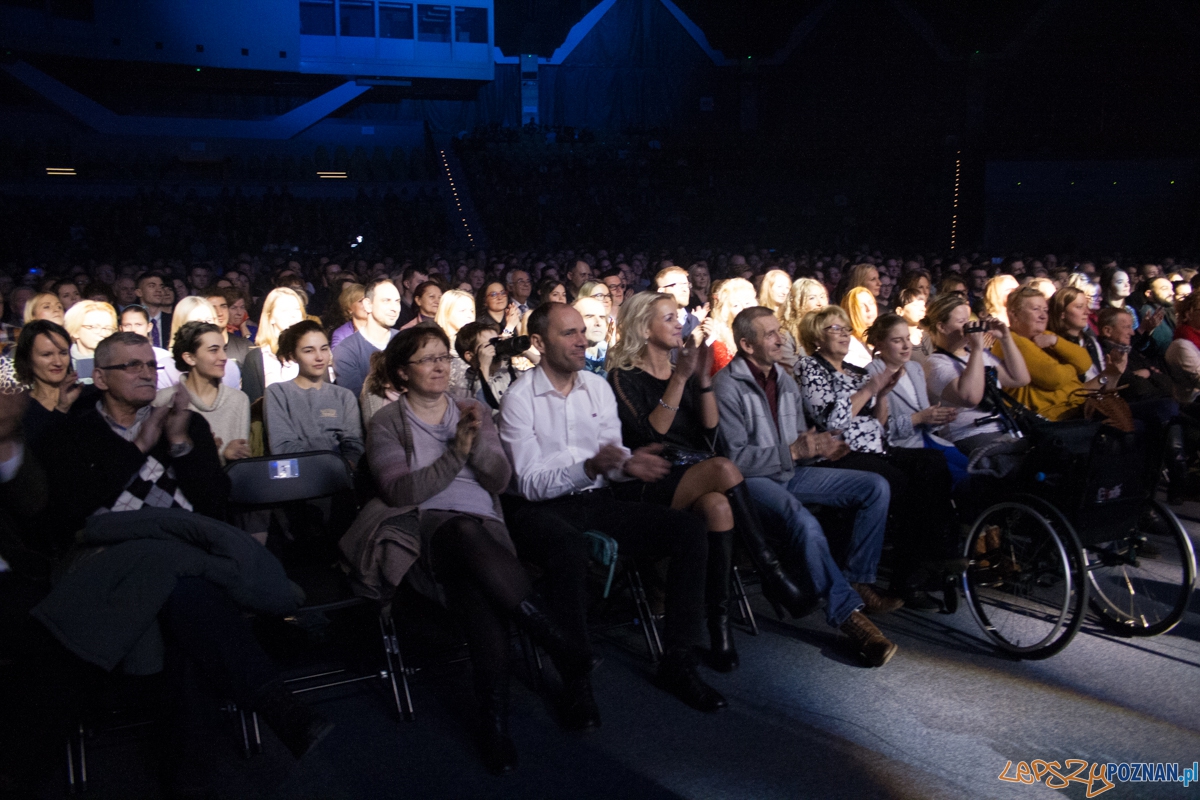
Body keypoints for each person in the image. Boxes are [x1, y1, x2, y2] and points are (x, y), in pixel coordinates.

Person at [26, 332, 332, 791]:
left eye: (149, 364)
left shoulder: (181, 423)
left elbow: (212, 506)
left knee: (179, 606)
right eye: (130, 366)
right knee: (184, 595)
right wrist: (136, 449)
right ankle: (278, 709)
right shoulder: (71, 434)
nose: (146, 372)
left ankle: (187, 778)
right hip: (109, 557)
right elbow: (68, 514)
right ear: (102, 379)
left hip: (183, 551)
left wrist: (181, 446)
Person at [339, 325, 594, 773]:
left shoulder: (472, 409)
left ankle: (494, 723)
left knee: (478, 590)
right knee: (461, 533)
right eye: (427, 359)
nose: (440, 366)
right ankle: (555, 641)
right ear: (402, 372)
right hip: (425, 531)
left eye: (444, 357)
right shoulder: (387, 423)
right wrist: (455, 454)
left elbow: (498, 481)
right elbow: (400, 492)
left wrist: (475, 448)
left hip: (486, 531)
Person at [499, 303, 726, 717]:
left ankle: (678, 660)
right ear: (538, 342)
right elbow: (530, 484)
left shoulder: (596, 387)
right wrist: (589, 467)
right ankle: (576, 677)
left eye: (582, 331)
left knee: (688, 530)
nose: (581, 340)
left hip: (597, 499)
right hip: (538, 510)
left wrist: (627, 464)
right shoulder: (519, 399)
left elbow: (612, 456)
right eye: (568, 333)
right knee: (568, 550)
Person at [608, 293, 813, 672]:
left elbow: (711, 431)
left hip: (694, 473)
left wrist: (701, 381)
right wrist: (682, 376)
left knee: (718, 506)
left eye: (677, 318)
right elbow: (649, 433)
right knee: (723, 468)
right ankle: (773, 573)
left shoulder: (681, 371)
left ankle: (720, 637)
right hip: (646, 482)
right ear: (643, 327)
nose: (678, 325)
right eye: (668, 318)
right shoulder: (623, 376)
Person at [713, 306, 900, 665]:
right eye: (769, 334)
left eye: (778, 331)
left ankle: (858, 579)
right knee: (803, 522)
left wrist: (819, 447)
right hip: (753, 481)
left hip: (792, 470)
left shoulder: (783, 380)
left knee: (875, 486)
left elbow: (799, 439)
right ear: (746, 345)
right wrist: (794, 450)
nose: (779, 338)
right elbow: (734, 460)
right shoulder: (727, 385)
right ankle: (847, 615)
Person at [798, 305, 957, 608]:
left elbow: (877, 423)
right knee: (904, 485)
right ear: (817, 337)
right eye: (836, 329)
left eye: (847, 329)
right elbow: (833, 420)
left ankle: (928, 565)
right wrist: (872, 386)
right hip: (841, 451)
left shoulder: (855, 372)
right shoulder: (810, 368)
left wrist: (881, 396)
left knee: (932, 463)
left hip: (875, 446)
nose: (845, 335)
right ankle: (894, 577)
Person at [921, 293, 1030, 455]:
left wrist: (1006, 339)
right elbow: (970, 397)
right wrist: (977, 349)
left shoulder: (976, 355)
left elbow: (1020, 378)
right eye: (961, 322)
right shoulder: (936, 364)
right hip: (969, 434)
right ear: (941, 327)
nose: (968, 327)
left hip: (1003, 428)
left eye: (968, 320)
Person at [1002, 286, 1125, 420]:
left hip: (1077, 406)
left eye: (1045, 310)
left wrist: (1055, 341)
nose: (1043, 316)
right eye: (1036, 309)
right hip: (1054, 420)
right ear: (1014, 314)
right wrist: (1072, 367)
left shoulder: (1045, 336)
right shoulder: (1012, 341)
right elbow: (1055, 378)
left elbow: (1084, 362)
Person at [266, 321, 363, 467]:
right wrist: (325, 467)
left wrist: (346, 466)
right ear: (293, 355)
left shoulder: (344, 396)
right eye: (309, 350)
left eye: (324, 349)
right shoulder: (278, 393)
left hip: (341, 478)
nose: (319, 357)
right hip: (299, 478)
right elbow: (283, 445)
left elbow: (353, 445)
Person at [155, 321, 251, 466]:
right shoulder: (163, 400)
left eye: (224, 349)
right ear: (190, 358)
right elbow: (161, 464)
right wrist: (219, 454)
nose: (224, 357)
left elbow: (241, 461)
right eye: (213, 350)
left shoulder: (239, 400)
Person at [864, 314, 959, 450]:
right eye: (897, 341)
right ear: (880, 344)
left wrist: (938, 418)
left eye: (908, 338)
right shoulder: (871, 374)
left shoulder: (915, 368)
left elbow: (925, 416)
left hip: (927, 441)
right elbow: (878, 429)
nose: (906, 346)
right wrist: (918, 418)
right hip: (901, 449)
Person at [11, 320, 83, 444]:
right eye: (47, 354)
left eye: (63, 353)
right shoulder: (20, 410)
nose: (58, 362)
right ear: (27, 358)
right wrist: (61, 409)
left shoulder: (87, 397)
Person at [333, 278, 401, 400]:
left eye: (397, 301)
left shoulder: (406, 341)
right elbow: (356, 400)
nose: (394, 308)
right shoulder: (346, 350)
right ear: (368, 305)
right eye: (386, 301)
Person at [241, 287, 307, 404]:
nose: (293, 315)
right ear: (270, 317)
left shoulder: (313, 353)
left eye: (297, 309)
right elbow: (253, 406)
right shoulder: (256, 358)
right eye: (284, 310)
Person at [161, 297, 243, 389]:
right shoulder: (164, 369)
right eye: (197, 322)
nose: (205, 327)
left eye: (208, 321)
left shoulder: (229, 368)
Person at [1048, 286, 1105, 380]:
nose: (1087, 312)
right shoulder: (1052, 344)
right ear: (1062, 312)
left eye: (1086, 306)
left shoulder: (1090, 341)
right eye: (1079, 307)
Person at [707, 277, 757, 375]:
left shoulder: (762, 336)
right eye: (736, 305)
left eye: (747, 303)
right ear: (726, 311)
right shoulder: (718, 345)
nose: (744, 308)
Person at [777, 278, 828, 371]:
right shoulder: (785, 334)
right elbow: (793, 370)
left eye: (822, 297)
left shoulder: (829, 329)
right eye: (812, 298)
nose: (820, 303)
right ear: (796, 302)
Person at [435, 289, 477, 400]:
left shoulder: (475, 345)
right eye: (462, 310)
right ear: (446, 313)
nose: (469, 316)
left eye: (472, 311)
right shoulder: (438, 347)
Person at [62, 299, 117, 382]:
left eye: (108, 328)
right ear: (76, 331)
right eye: (94, 327)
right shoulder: (63, 362)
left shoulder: (118, 360)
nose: (103, 333)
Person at [202, 287, 252, 368]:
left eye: (223, 306)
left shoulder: (244, 346)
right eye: (213, 307)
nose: (219, 313)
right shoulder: (197, 348)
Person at [840, 287, 877, 368]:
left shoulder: (883, 336)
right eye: (862, 306)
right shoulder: (849, 344)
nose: (869, 309)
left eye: (871, 303)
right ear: (851, 312)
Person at [573, 295, 609, 376]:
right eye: (589, 316)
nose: (598, 322)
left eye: (602, 317)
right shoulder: (567, 365)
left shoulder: (614, 358)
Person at [134, 272, 172, 348]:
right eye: (152, 286)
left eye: (161, 287)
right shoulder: (130, 322)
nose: (158, 290)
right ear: (139, 292)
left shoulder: (172, 320)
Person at [328, 283, 368, 349]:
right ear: (349, 309)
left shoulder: (381, 328)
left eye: (367, 300)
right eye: (360, 301)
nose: (366, 304)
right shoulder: (341, 334)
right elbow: (338, 358)